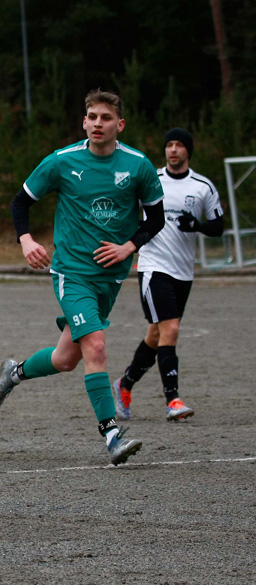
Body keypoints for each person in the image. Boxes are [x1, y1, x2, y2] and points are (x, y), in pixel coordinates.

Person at [0, 89, 165, 466]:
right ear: (84, 121)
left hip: (111, 277)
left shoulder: (138, 166)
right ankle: (112, 435)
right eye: (92, 117)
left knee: (67, 358)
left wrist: (127, 247)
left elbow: (156, 219)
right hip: (72, 272)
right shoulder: (62, 161)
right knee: (95, 348)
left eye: (105, 117)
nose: (98, 123)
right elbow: (20, 202)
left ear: (120, 124)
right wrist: (26, 240)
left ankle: (13, 374)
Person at [113, 128, 224, 423]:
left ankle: (124, 384)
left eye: (179, 145)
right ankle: (172, 399)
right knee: (171, 329)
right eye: (169, 145)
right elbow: (127, 215)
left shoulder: (203, 186)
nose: (173, 150)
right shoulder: (152, 180)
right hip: (153, 266)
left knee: (156, 334)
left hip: (184, 271)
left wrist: (197, 225)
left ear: (188, 151)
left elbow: (218, 226)